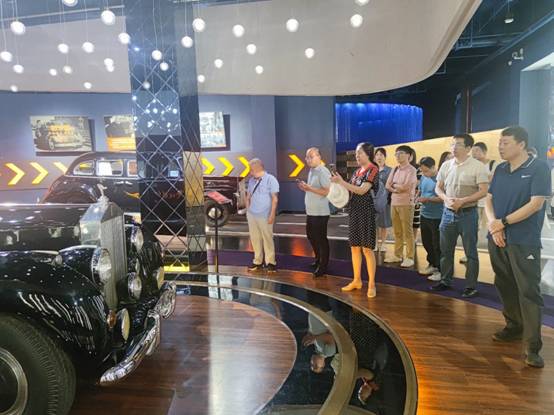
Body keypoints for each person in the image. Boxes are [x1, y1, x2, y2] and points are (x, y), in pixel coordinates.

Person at [485, 126, 551, 368]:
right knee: (504, 283)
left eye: (506, 143)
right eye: (500, 143)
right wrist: (494, 226)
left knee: (528, 291)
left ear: (521, 144)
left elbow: (535, 204)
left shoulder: (539, 168)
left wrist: (502, 223)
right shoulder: (500, 169)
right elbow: (489, 199)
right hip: (497, 237)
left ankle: (532, 347)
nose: (500, 146)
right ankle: (514, 326)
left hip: (523, 240)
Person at [431, 134, 489, 297]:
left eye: (458, 145)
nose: (454, 148)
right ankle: (445, 280)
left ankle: (470, 286)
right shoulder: (446, 165)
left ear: (468, 148)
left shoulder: (478, 166)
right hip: (447, 213)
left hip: (468, 214)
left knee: (471, 253)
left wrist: (463, 201)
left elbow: (483, 191)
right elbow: (438, 188)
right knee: (445, 251)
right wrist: (446, 199)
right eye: (452, 144)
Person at [330, 142, 379, 297]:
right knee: (354, 247)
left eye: (360, 153)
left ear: (368, 154)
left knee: (367, 249)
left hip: (366, 212)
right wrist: (338, 183)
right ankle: (357, 280)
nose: (357, 156)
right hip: (354, 211)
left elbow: (362, 190)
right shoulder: (357, 172)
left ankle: (371, 284)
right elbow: (349, 190)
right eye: (356, 153)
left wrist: (342, 182)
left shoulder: (373, 169)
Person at [297, 147, 331, 278]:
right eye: (307, 157)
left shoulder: (323, 171)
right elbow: (313, 189)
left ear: (319, 157)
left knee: (321, 239)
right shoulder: (312, 170)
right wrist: (305, 188)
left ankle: (323, 266)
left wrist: (309, 188)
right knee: (311, 236)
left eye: (311, 157)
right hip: (311, 212)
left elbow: (327, 191)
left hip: (320, 213)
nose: (308, 159)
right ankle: (318, 259)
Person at [384, 145, 417, 268]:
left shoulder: (412, 170)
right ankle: (397, 255)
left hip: (406, 203)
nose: (398, 156)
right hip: (394, 202)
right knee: (397, 231)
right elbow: (387, 185)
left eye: (401, 153)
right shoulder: (395, 169)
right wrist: (396, 188)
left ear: (409, 155)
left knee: (407, 231)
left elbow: (406, 187)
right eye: (396, 153)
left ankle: (410, 257)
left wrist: (395, 185)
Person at [246, 158, 279, 273]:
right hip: (252, 215)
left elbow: (275, 199)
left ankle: (270, 262)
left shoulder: (271, 179)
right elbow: (248, 196)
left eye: (251, 169)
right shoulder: (251, 181)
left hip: (265, 215)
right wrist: (248, 211)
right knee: (255, 238)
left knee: (267, 238)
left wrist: (272, 214)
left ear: (257, 168)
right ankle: (257, 261)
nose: (250, 172)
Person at [418, 157, 443, 281]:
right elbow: (421, 191)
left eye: (426, 171)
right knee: (426, 242)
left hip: (437, 216)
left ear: (434, 167)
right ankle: (432, 264)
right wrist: (418, 196)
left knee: (437, 244)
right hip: (424, 214)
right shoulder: (423, 177)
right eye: (422, 171)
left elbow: (443, 198)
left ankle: (440, 269)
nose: (424, 173)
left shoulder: (441, 179)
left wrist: (427, 199)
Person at [471, 142, 497, 240]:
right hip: (475, 200)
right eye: (473, 151)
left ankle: (488, 242)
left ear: (484, 151)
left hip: (489, 201)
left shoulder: (493, 164)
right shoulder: (473, 165)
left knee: (488, 225)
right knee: (474, 225)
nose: (474, 153)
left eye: (477, 150)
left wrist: (478, 180)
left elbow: (493, 179)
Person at [373, 148, 392, 253]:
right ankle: (375, 243)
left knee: (383, 223)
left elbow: (391, 185)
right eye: (377, 155)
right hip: (373, 201)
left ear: (385, 157)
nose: (379, 157)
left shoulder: (390, 170)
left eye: (381, 155)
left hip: (384, 201)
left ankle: (384, 243)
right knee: (374, 223)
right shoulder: (372, 170)